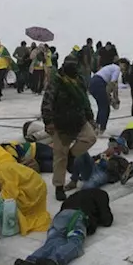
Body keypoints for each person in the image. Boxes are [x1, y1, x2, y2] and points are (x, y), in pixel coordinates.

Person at [14, 188, 113, 265]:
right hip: (77, 216)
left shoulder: (75, 195)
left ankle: (32, 261)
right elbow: (107, 220)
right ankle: (54, 262)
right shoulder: (101, 194)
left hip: (60, 216)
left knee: (53, 241)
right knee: (75, 242)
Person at [42, 53, 98, 201]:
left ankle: (72, 156)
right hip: (60, 124)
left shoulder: (79, 80)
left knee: (91, 137)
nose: (72, 68)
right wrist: (48, 122)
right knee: (60, 157)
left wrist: (90, 117)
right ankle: (59, 187)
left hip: (79, 120)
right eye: (69, 65)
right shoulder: (57, 81)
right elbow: (47, 102)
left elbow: (85, 100)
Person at [90, 58, 122, 133]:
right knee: (105, 107)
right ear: (120, 64)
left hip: (93, 82)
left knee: (102, 106)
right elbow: (112, 84)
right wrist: (113, 99)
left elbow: (114, 86)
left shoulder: (110, 67)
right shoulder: (117, 68)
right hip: (99, 83)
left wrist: (114, 98)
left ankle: (97, 126)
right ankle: (101, 129)